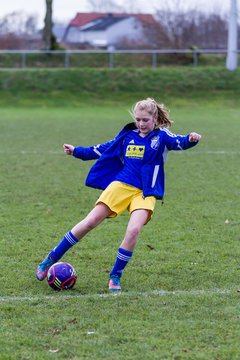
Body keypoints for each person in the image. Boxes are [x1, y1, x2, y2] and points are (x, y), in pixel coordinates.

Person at [36, 98, 201, 291]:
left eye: (145, 120)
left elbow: (178, 142)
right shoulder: (127, 136)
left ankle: (115, 275)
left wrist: (191, 139)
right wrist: (76, 151)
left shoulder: (161, 136)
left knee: (133, 230)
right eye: (138, 119)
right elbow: (103, 148)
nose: (141, 123)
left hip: (145, 192)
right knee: (90, 221)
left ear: (155, 118)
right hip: (121, 186)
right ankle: (50, 260)